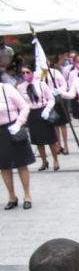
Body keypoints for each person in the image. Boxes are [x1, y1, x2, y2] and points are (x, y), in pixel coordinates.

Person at [17, 66, 61, 172]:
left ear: (32, 73)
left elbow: (51, 98)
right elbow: (21, 103)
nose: (25, 75)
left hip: (43, 111)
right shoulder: (20, 87)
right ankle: (44, 161)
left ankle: (56, 160)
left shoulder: (41, 84)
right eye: (23, 73)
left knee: (51, 139)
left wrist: (47, 109)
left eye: (27, 72)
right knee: (38, 140)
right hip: (32, 113)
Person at [0, 81, 33, 210]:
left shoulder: (6, 89)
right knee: (4, 166)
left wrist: (19, 123)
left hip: (13, 127)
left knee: (21, 163)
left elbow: (25, 106)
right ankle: (12, 197)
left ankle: (27, 195)